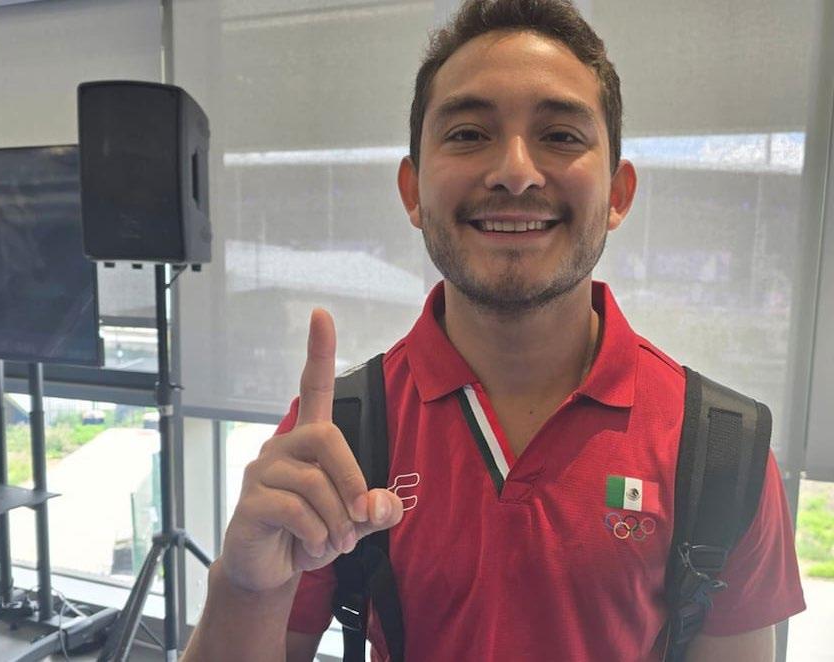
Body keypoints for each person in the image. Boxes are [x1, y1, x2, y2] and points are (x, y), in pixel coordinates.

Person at [182, 1, 805, 660]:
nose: (514, 171)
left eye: (561, 135)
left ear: (618, 195)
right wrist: (244, 588)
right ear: (413, 190)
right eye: (468, 133)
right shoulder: (334, 439)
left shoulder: (721, 450)